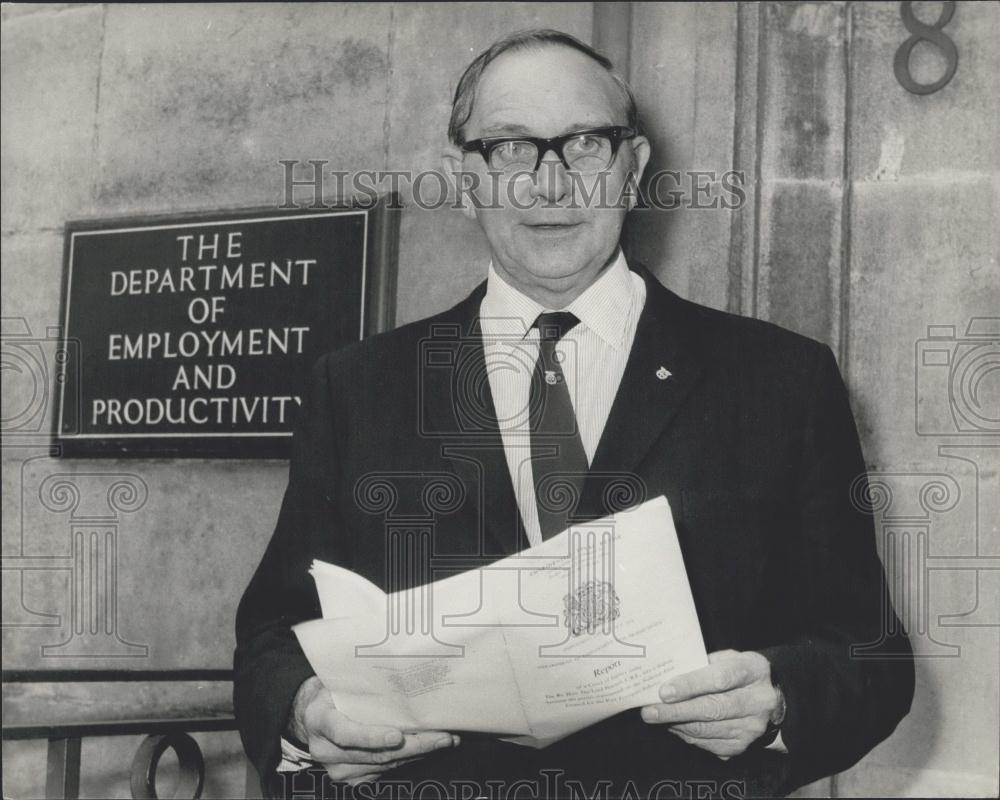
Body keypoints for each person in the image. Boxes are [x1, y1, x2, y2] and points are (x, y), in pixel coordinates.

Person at [235, 29, 913, 799]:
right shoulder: (355, 389)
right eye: (513, 148)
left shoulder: (780, 379)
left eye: (586, 144)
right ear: (465, 180)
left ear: (634, 169)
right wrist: (303, 713)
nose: (550, 186)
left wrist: (779, 697)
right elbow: (272, 636)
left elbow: (871, 651)